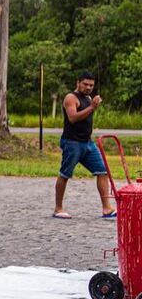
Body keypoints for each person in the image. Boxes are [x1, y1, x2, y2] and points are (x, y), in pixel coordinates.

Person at [53, 72, 115, 219]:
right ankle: (58, 208)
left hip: (88, 143)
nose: (88, 87)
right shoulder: (70, 98)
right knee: (65, 174)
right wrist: (92, 107)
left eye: (91, 85)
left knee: (102, 171)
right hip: (72, 143)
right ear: (78, 82)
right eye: (85, 84)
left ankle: (107, 208)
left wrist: (92, 105)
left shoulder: (88, 98)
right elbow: (73, 118)